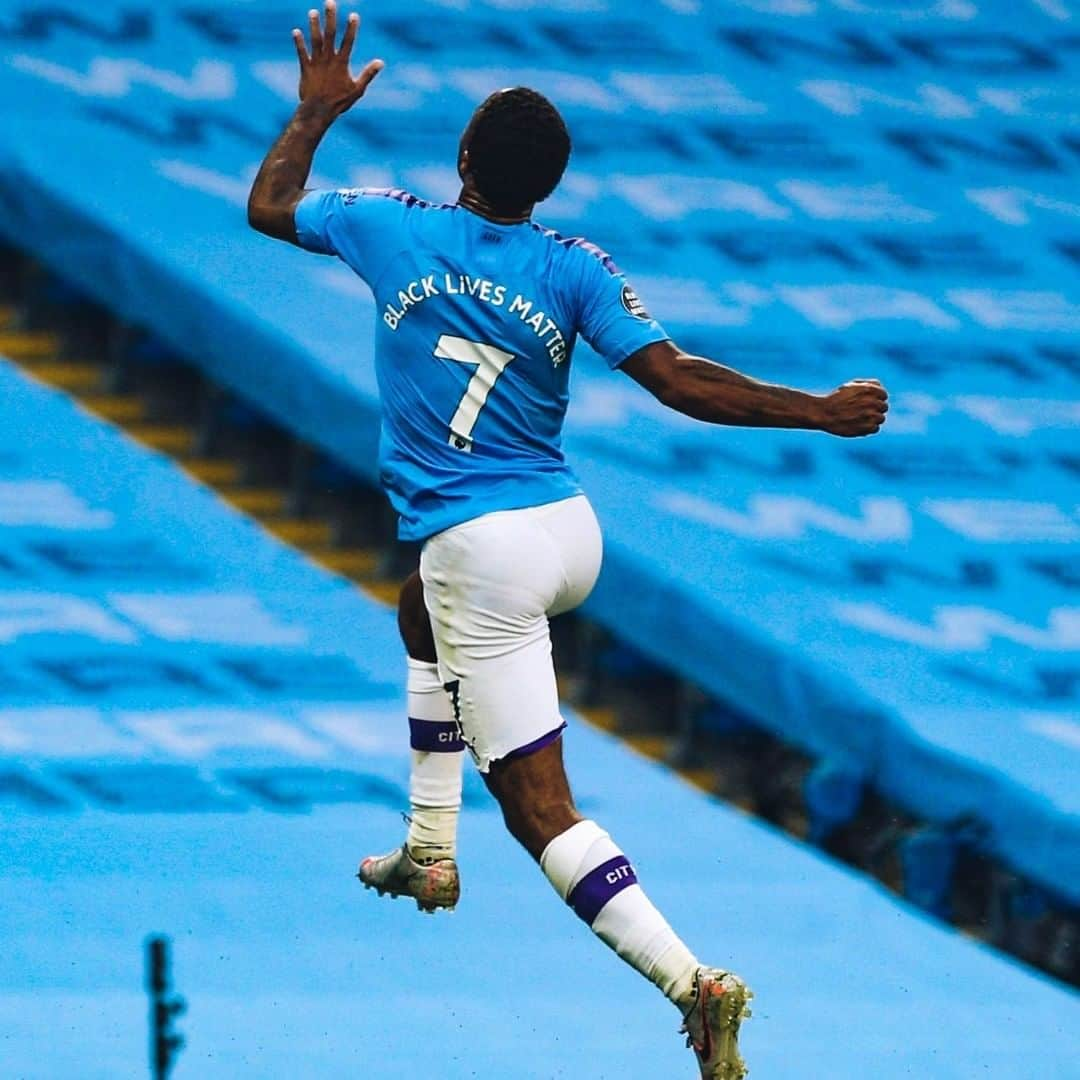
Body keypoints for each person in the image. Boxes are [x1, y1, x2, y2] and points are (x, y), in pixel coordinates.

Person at [247, 5, 889, 1076]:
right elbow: (681, 381)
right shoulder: (573, 265)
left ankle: (696, 985)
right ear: (548, 188)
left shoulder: (385, 222)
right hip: (564, 529)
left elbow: (269, 206)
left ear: (461, 161)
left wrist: (315, 112)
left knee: (542, 812)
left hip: (478, 550)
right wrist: (816, 408)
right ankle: (428, 849)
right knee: (419, 611)